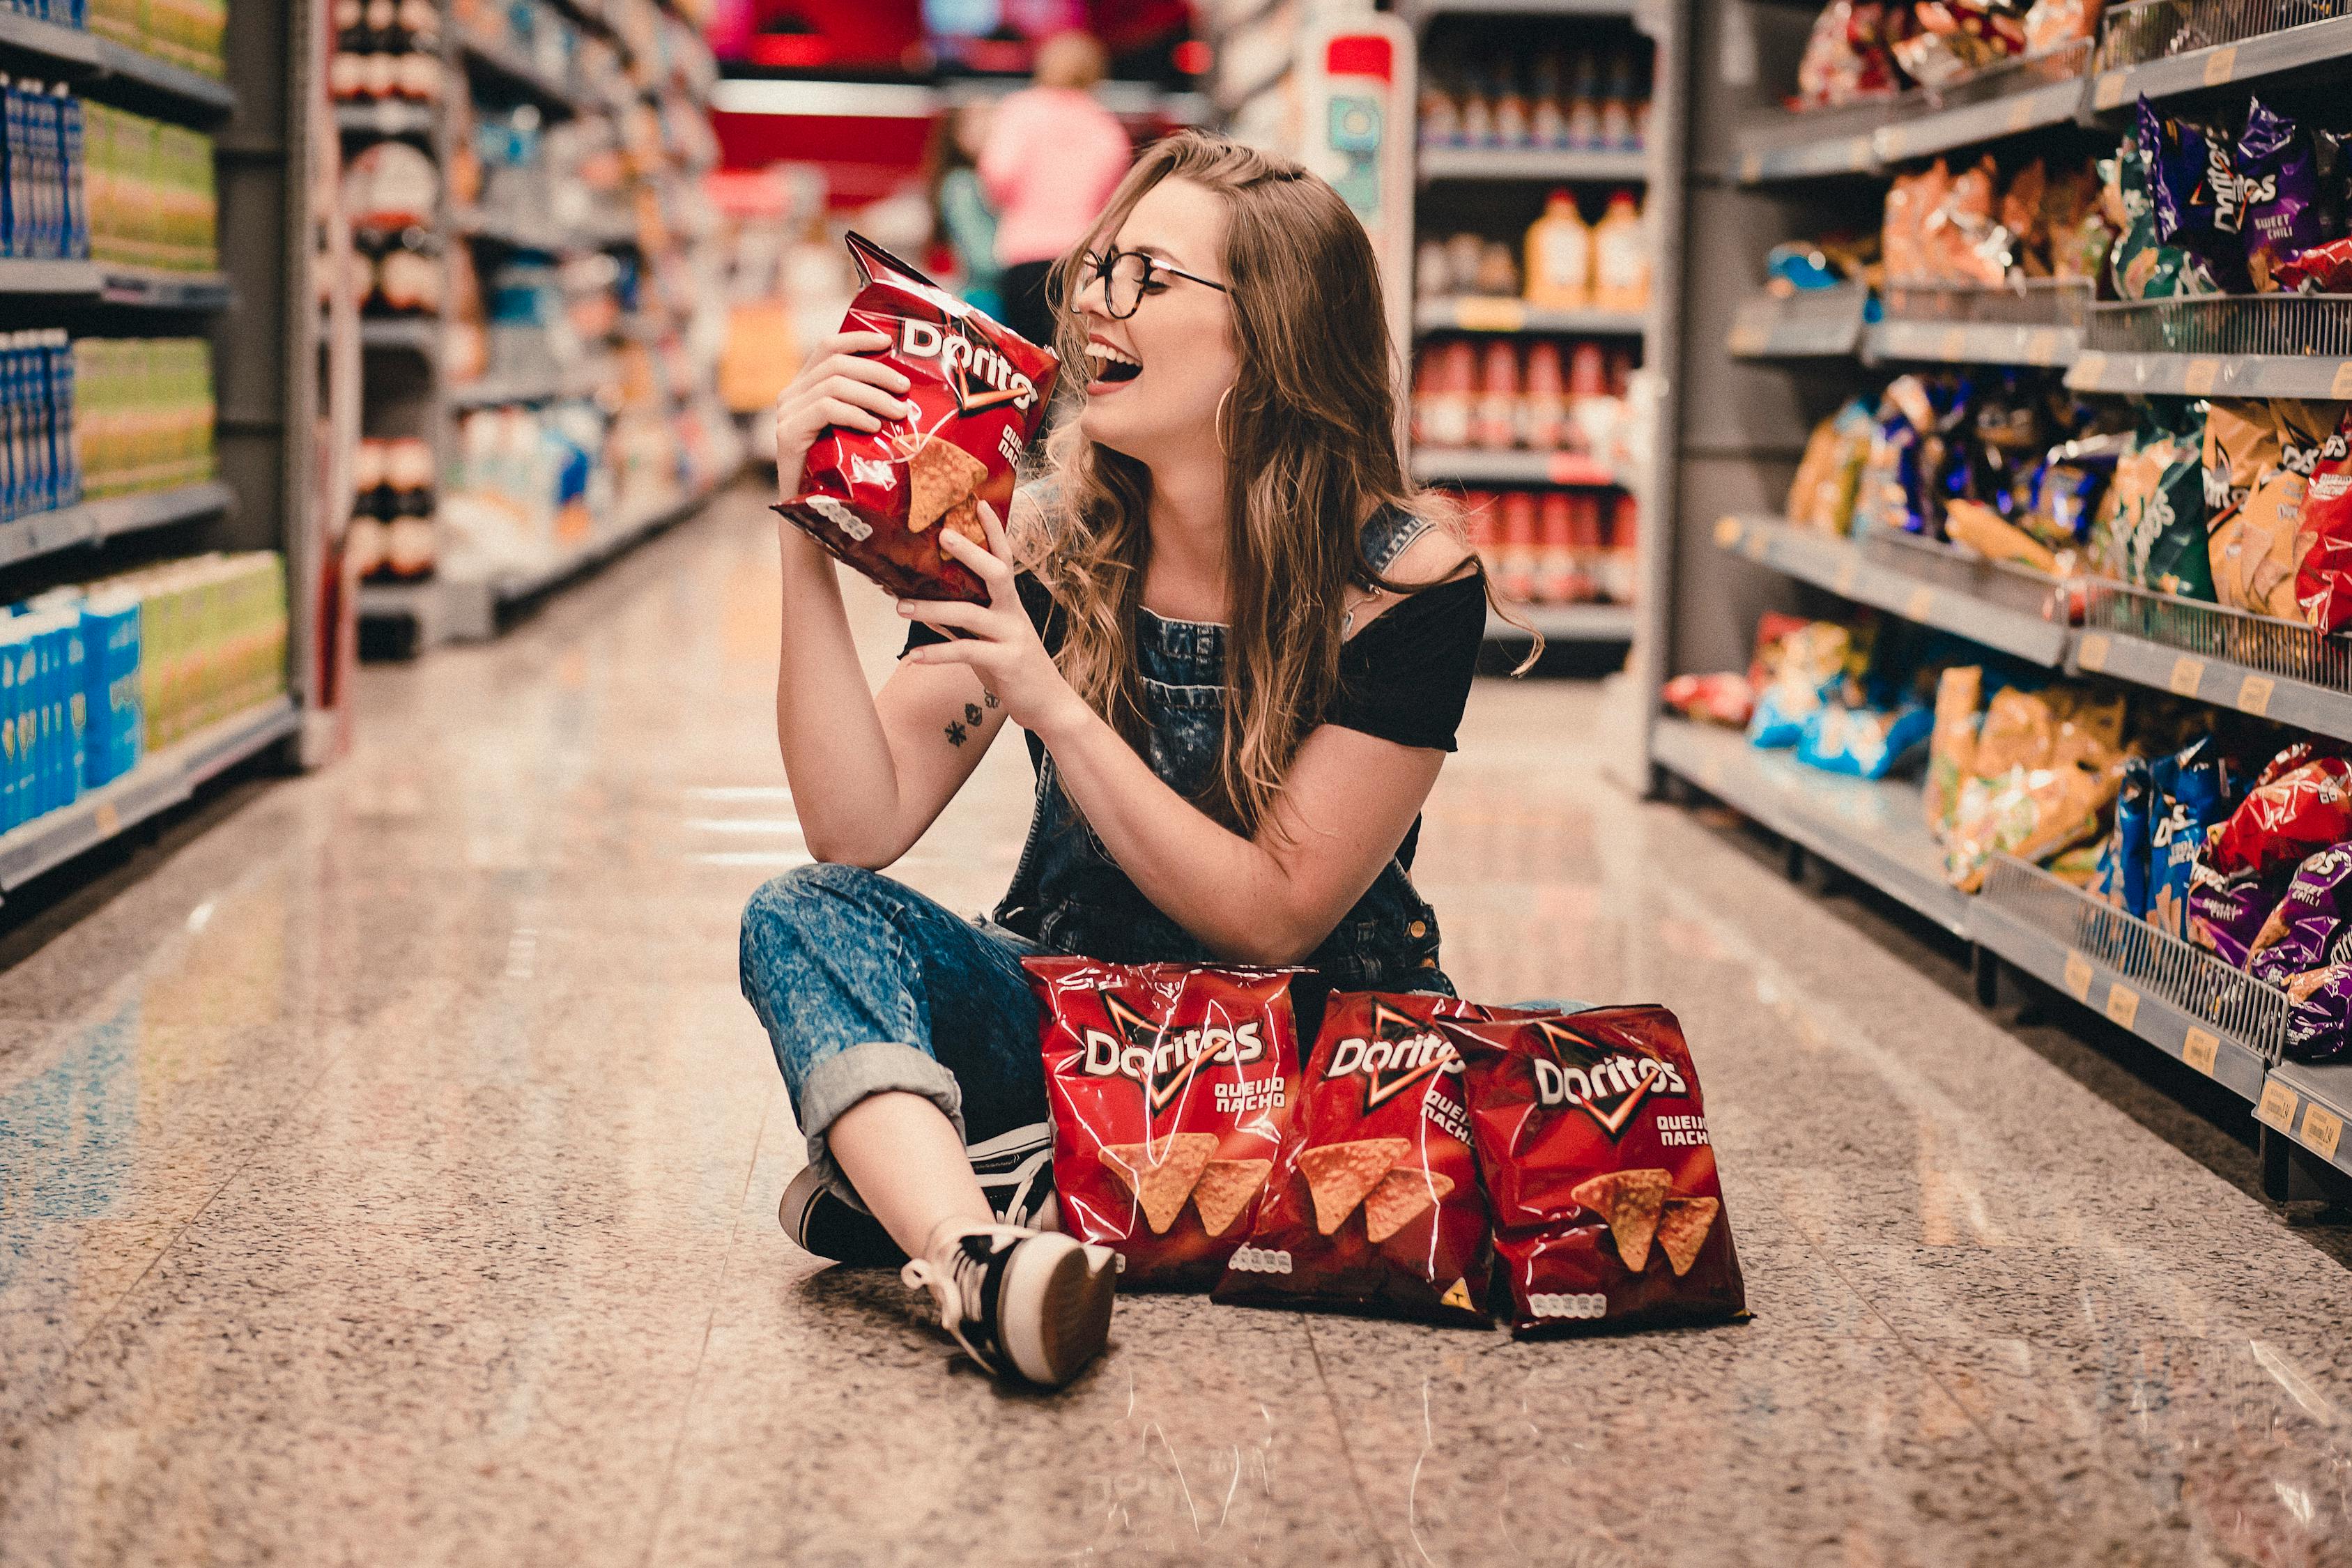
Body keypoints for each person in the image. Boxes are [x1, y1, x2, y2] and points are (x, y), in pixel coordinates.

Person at [746, 132, 1510, 1388]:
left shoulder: (1403, 579)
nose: (1095, 297)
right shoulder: (1043, 534)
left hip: (1302, 1053)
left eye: (1148, 277)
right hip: (1077, 1025)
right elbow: (854, 824)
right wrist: (806, 526)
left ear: (1269, 334)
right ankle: (977, 1256)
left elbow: (1273, 917)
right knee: (803, 915)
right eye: (1102, 263)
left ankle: (984, 1175)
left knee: (880, 1136)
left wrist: (1052, 703)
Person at [977, 29, 1132, 353]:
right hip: (1081, 259)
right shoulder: (1106, 127)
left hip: (1024, 254)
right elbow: (1116, 204)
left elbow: (997, 176)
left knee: (1025, 358)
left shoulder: (1021, 110)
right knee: (1072, 357)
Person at [926, 101, 1005, 321]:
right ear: (957, 134)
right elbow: (982, 258)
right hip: (984, 302)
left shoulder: (989, 182)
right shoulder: (961, 185)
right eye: (978, 118)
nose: (990, 124)